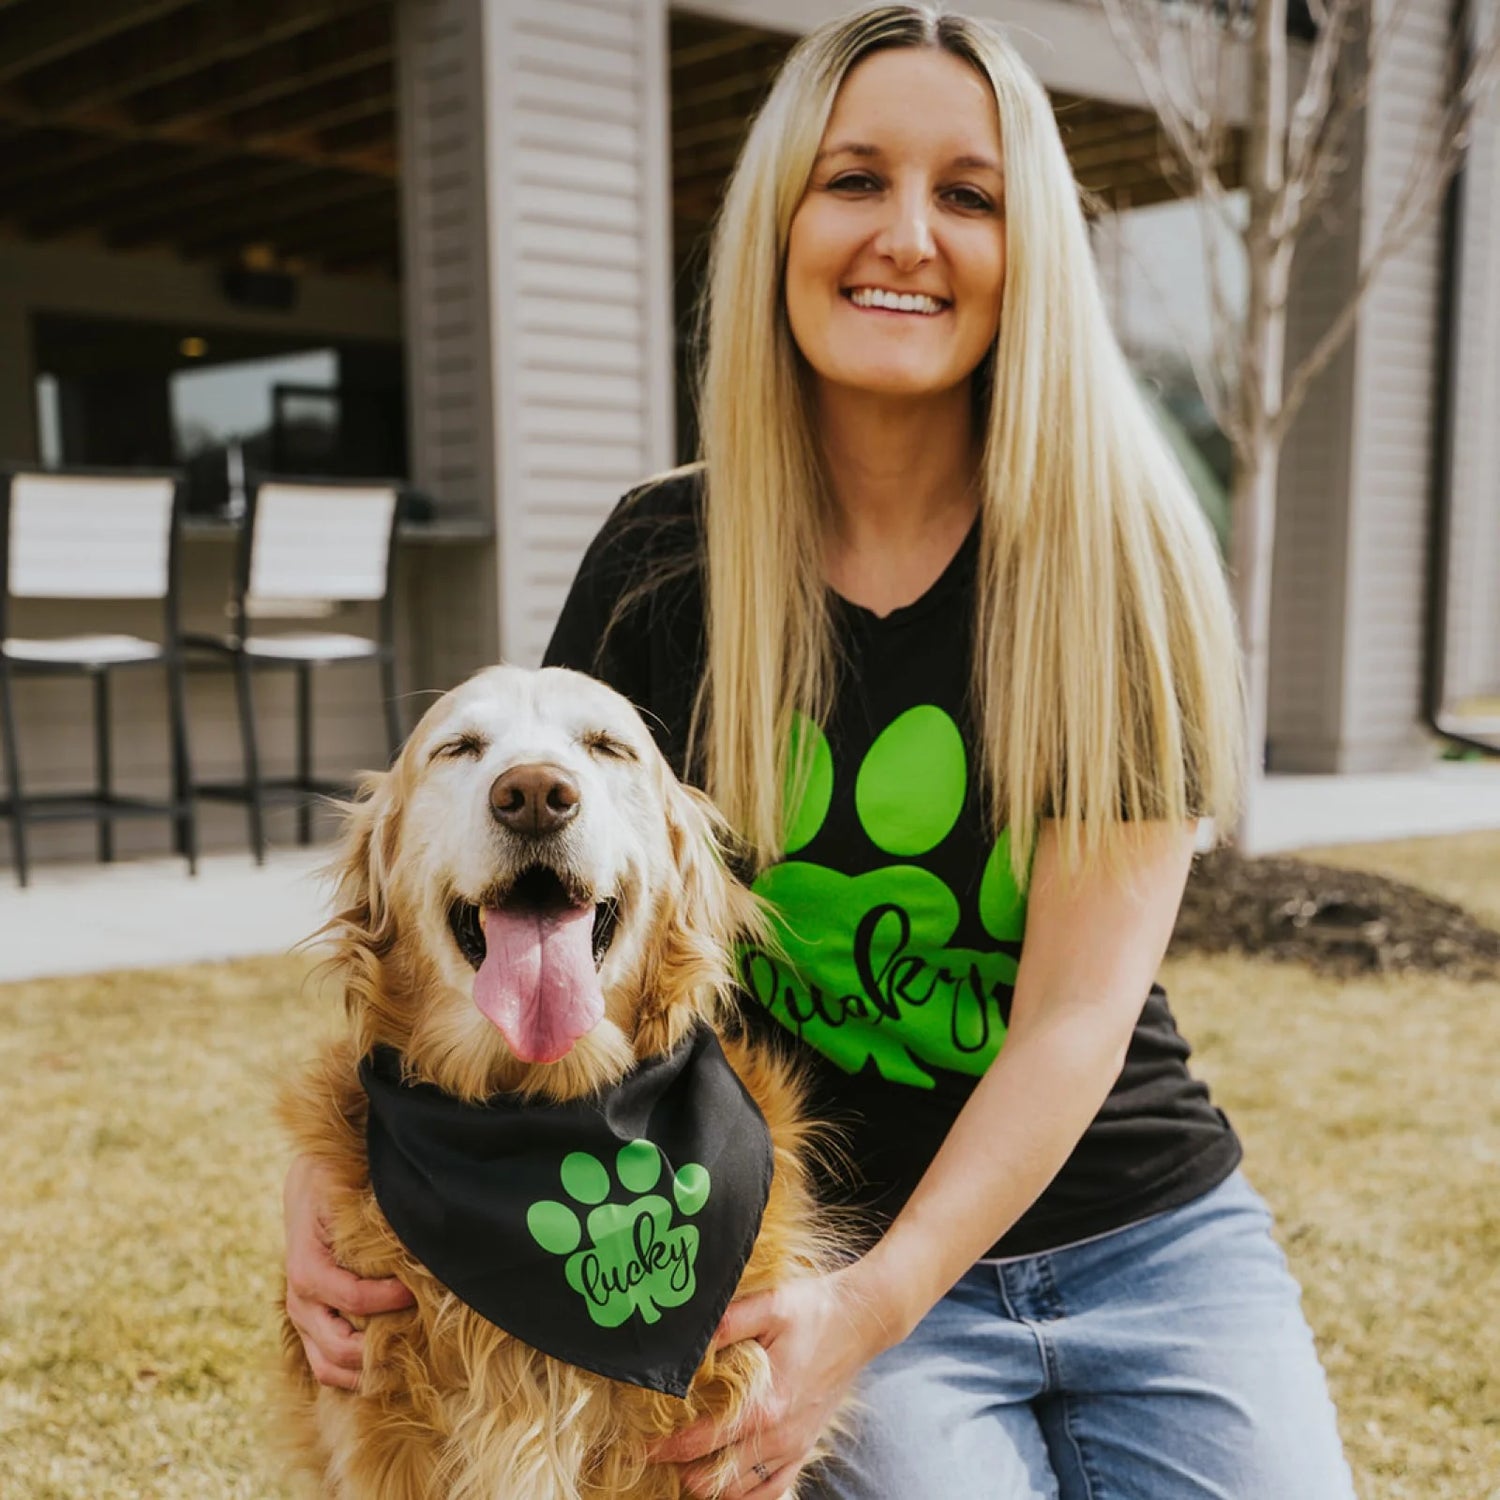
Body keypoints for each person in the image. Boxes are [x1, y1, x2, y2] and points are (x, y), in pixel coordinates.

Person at [283, 6, 1357, 1497]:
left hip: (1137, 1231)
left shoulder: (1121, 568)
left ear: (1026, 244)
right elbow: (504, 868)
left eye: (966, 194)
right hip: (804, 1228)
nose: (906, 235)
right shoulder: (669, 558)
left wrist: (870, 1311)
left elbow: (1071, 1026)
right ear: (781, 220)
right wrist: (327, 1186)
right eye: (854, 180)